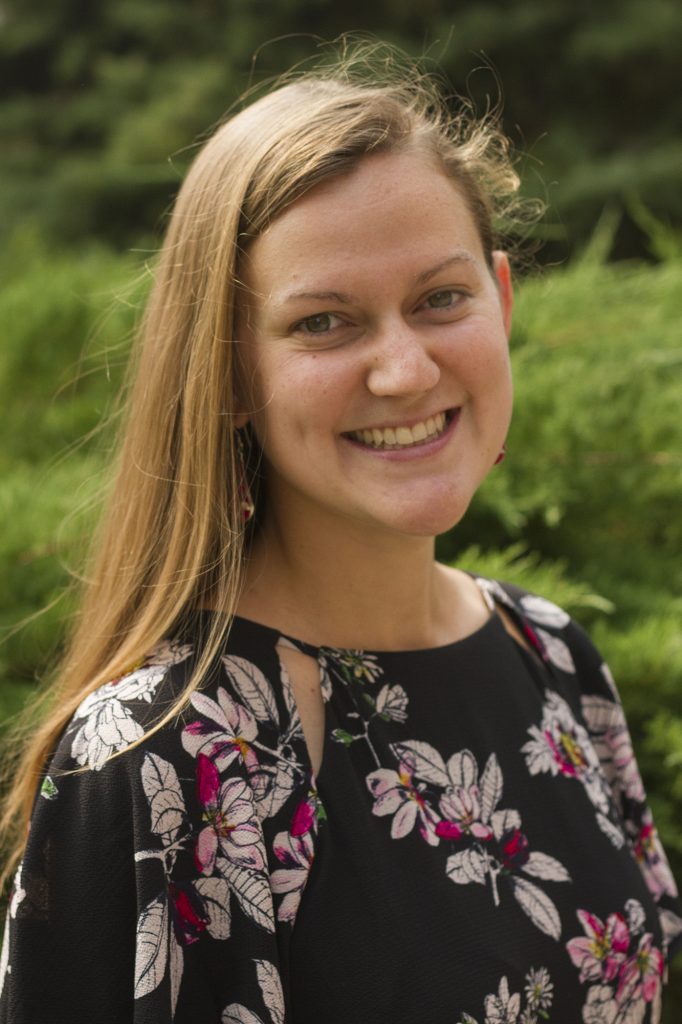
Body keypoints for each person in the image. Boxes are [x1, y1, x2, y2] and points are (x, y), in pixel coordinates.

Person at [1, 49, 680, 1024]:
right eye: (325, 322)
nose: (406, 370)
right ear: (228, 373)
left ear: (501, 300)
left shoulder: (554, 656)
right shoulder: (164, 755)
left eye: (440, 298)